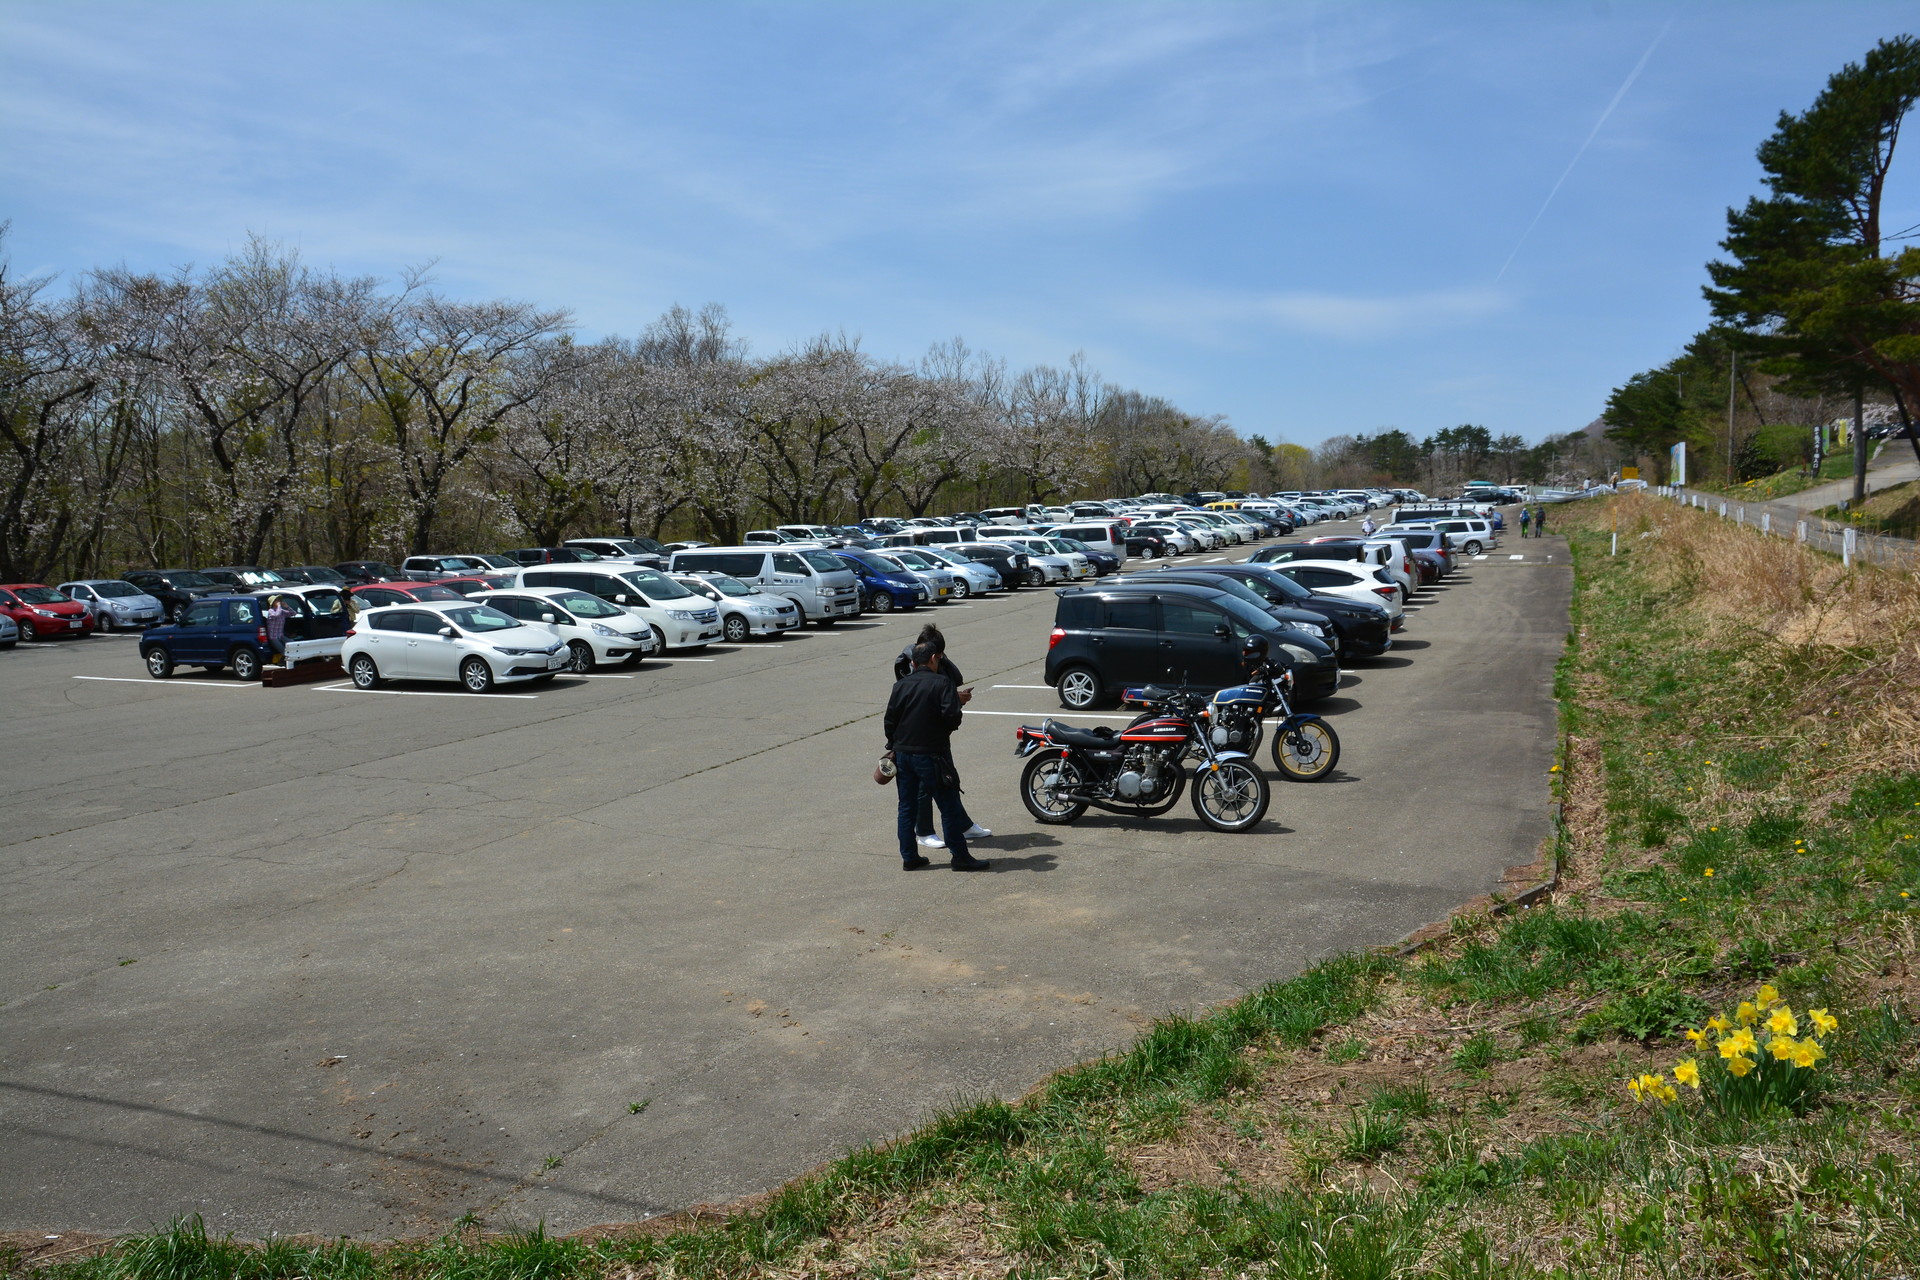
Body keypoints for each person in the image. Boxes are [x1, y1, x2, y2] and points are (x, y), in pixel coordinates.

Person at [884, 642, 989, 871]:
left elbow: (890, 720)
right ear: (934, 658)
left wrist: (894, 744)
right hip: (931, 755)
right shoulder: (941, 683)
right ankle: (960, 856)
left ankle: (909, 856)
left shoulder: (900, 685)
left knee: (906, 807)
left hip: (903, 754)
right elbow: (952, 717)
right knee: (948, 805)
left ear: (913, 662)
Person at [263, 595, 292, 664]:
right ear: (273, 603)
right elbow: (277, 615)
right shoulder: (271, 611)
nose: (278, 602)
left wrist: (287, 607)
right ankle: (283, 663)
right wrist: (279, 606)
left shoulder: (281, 611)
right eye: (276, 601)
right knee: (283, 650)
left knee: (292, 643)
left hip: (280, 635)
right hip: (273, 637)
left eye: (279, 600)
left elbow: (293, 613)